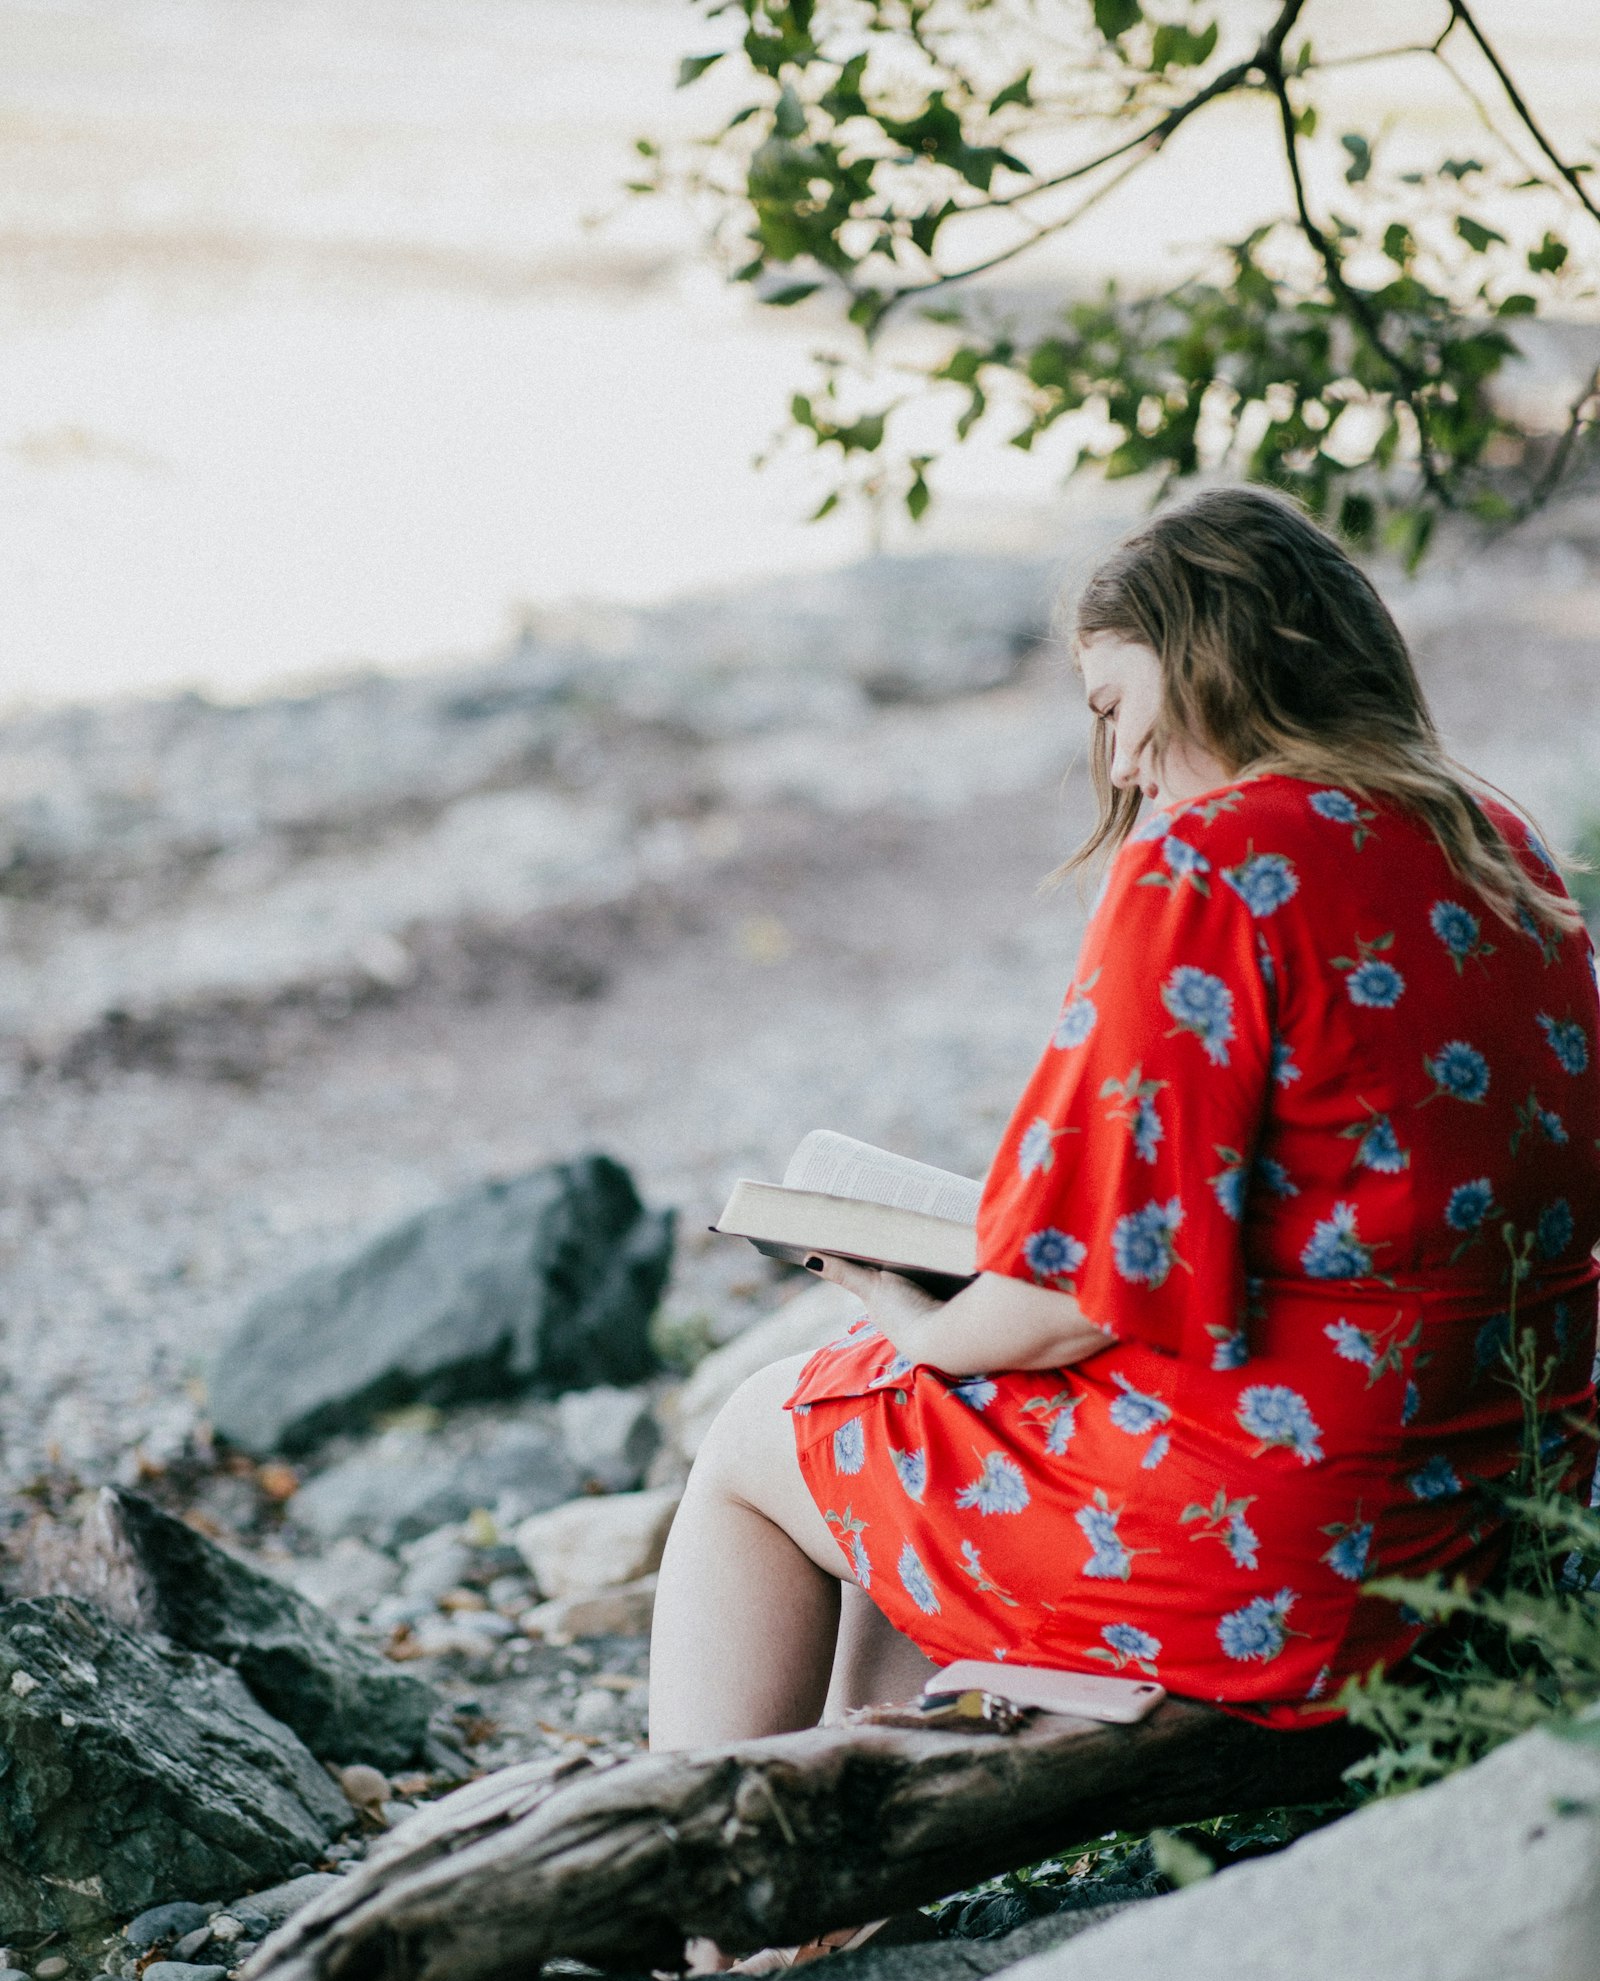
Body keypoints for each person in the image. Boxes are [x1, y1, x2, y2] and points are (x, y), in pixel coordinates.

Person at [648, 485, 1600, 1777]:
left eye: (1114, 707)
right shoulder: (1500, 842)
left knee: (767, 1430)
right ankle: (839, 1820)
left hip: (1278, 1554)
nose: (1123, 764)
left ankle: (699, 1871)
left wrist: (918, 1315)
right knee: (898, 1412)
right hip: (1480, 1505)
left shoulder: (1214, 864)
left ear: (1207, 656)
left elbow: (1071, 1294)